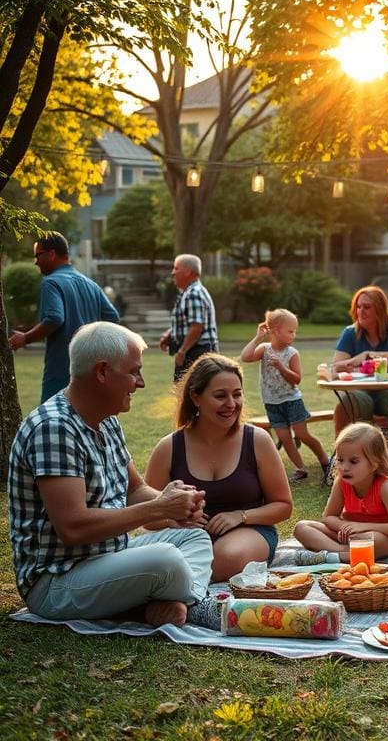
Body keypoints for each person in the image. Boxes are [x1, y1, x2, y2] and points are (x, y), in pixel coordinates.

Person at [7, 322, 212, 627]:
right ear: (102, 372)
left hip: (106, 556)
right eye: (134, 371)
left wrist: (174, 505)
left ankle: (170, 601)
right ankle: (186, 603)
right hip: (57, 581)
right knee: (166, 560)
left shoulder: (106, 420)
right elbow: (73, 528)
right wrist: (158, 508)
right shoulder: (54, 429)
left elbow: (135, 489)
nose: (140, 382)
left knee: (194, 538)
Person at [145, 354, 293, 583]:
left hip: (247, 533)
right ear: (196, 398)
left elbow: (283, 506)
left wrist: (240, 516)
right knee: (156, 560)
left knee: (222, 557)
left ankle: (177, 591)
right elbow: (148, 516)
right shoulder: (169, 448)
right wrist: (175, 520)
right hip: (186, 537)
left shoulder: (257, 441)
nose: (231, 404)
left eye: (237, 394)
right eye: (220, 396)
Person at [8, 231, 119, 402]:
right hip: (91, 369)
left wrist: (25, 338)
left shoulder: (51, 282)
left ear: (51, 254)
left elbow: (54, 318)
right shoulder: (90, 283)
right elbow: (112, 317)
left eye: (38, 255)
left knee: (52, 419)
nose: (35, 261)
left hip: (61, 369)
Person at [293, 423, 388, 563]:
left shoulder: (385, 486)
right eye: (340, 460)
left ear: (374, 464)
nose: (344, 467)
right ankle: (341, 554)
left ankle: (333, 556)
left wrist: (363, 527)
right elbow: (328, 517)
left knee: (370, 540)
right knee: (302, 527)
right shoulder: (341, 482)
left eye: (353, 461)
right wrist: (344, 527)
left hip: (386, 537)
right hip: (351, 536)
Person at [332, 286, 388, 466]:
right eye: (358, 306)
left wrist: (368, 355)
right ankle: (339, 454)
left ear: (380, 309)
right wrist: (349, 366)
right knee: (344, 402)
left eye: (367, 307)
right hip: (362, 391)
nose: (361, 311)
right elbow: (336, 368)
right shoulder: (350, 333)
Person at [240, 308, 331, 483]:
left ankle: (325, 461)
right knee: (285, 438)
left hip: (292, 401)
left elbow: (296, 379)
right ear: (275, 330)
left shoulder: (292, 353)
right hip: (272, 403)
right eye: (290, 331)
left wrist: (282, 368)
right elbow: (246, 357)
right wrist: (258, 337)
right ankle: (300, 468)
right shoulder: (264, 349)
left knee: (303, 435)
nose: (293, 335)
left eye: (294, 331)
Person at [159, 254, 218, 382]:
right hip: (197, 351)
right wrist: (170, 333)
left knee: (187, 394)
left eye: (176, 268)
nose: (172, 273)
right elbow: (190, 320)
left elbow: (196, 326)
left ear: (188, 272)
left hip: (197, 353)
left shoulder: (193, 293)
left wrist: (182, 351)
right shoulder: (189, 292)